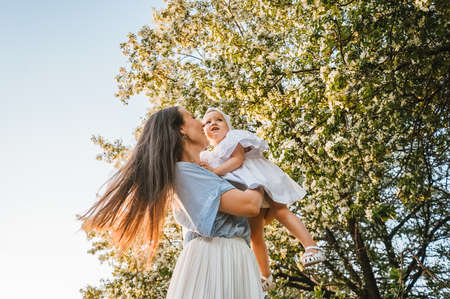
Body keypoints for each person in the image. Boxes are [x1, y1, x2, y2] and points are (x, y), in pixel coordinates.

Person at [80, 106, 266, 298]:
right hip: (216, 259)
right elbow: (250, 205)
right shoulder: (185, 172)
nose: (202, 123)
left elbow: (250, 216)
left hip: (231, 257)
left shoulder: (198, 173)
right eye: (193, 117)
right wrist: (259, 173)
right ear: (181, 129)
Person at [200, 108, 326, 291]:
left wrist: (215, 172)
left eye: (219, 120)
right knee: (255, 233)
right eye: (208, 122)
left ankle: (311, 247)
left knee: (281, 211)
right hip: (248, 188)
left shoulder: (232, 138)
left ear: (228, 126)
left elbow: (238, 161)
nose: (213, 123)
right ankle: (265, 275)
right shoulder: (213, 154)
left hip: (260, 177)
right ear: (204, 131)